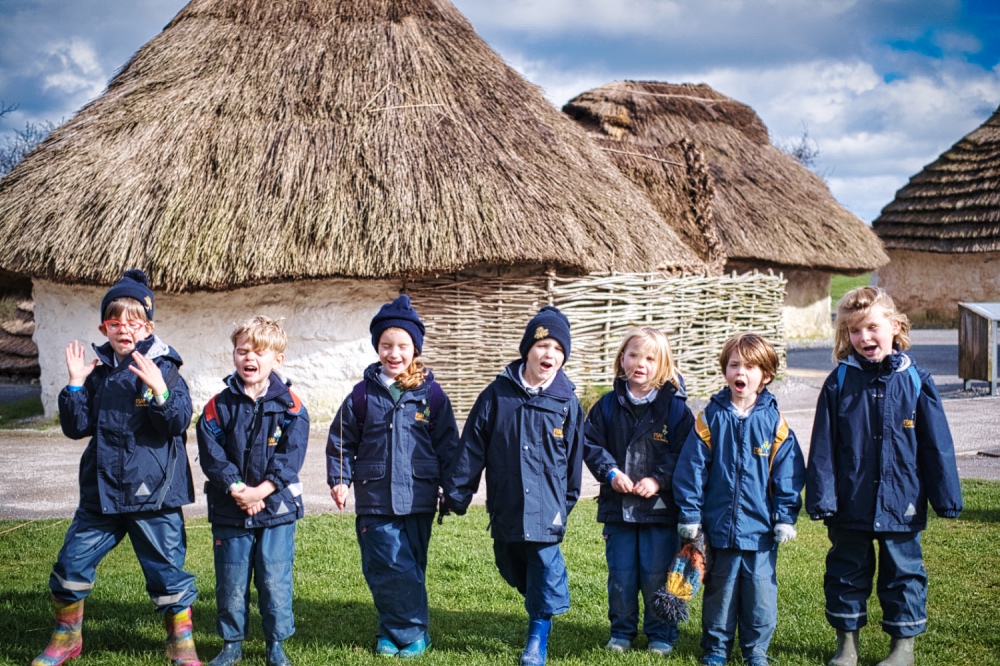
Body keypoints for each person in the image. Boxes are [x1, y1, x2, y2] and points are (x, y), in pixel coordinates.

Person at [33, 269, 201, 666]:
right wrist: (75, 385)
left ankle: (182, 647)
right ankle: (66, 638)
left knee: (168, 576)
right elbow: (76, 428)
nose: (124, 328)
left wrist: (160, 390)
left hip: (154, 494)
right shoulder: (96, 373)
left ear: (148, 326)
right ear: (104, 326)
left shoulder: (167, 368)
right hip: (102, 493)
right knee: (70, 565)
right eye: (115, 321)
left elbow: (176, 423)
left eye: (133, 321)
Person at [806, 287, 962, 666]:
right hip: (850, 502)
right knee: (845, 573)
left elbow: (936, 446)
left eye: (872, 327)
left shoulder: (917, 381)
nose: (864, 338)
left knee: (904, 575)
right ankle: (847, 647)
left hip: (902, 502)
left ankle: (902, 650)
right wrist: (823, 497)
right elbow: (823, 447)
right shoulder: (839, 381)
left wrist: (946, 497)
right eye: (855, 331)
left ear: (895, 326)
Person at [444, 306, 585, 666]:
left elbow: (573, 461)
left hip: (547, 506)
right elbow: (472, 446)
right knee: (509, 562)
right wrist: (458, 493)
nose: (548, 354)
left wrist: (564, 503)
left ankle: (537, 636)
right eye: (542, 346)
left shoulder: (566, 402)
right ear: (527, 350)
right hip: (507, 503)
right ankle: (535, 595)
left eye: (557, 349)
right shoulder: (497, 395)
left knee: (543, 563)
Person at [326, 294, 458, 658]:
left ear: (415, 349)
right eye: (386, 345)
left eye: (402, 346)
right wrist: (340, 479)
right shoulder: (362, 395)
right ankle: (411, 632)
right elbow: (341, 439)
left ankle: (394, 630)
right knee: (384, 562)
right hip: (375, 496)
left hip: (419, 495)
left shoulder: (431, 394)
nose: (394, 353)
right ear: (377, 347)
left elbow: (448, 444)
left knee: (410, 564)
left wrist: (452, 487)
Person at [673, 332, 804, 666]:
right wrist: (689, 514)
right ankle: (716, 649)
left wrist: (785, 516)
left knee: (760, 595)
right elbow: (691, 470)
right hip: (720, 531)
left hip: (761, 534)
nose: (740, 373)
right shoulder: (710, 419)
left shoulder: (775, 424)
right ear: (725, 370)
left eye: (749, 366)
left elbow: (787, 474)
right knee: (720, 595)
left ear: (766, 375)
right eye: (734, 365)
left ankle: (755, 650)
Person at [197, 316, 310, 666]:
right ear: (233, 355)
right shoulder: (218, 406)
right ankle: (231, 644)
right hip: (231, 509)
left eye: (259, 352)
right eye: (242, 351)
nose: (250, 358)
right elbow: (211, 454)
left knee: (275, 579)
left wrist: (261, 491)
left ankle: (276, 644)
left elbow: (291, 458)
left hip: (276, 511)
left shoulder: (292, 407)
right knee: (230, 581)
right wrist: (237, 489)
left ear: (278, 359)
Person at [582, 327, 694, 656]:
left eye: (650, 358)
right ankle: (621, 633)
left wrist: (659, 479)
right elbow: (590, 444)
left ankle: (661, 634)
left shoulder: (675, 409)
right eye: (633, 355)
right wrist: (611, 472)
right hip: (618, 508)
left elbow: (685, 453)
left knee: (657, 575)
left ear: (664, 364)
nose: (640, 363)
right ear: (621, 359)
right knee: (622, 576)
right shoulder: (606, 406)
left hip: (659, 509)